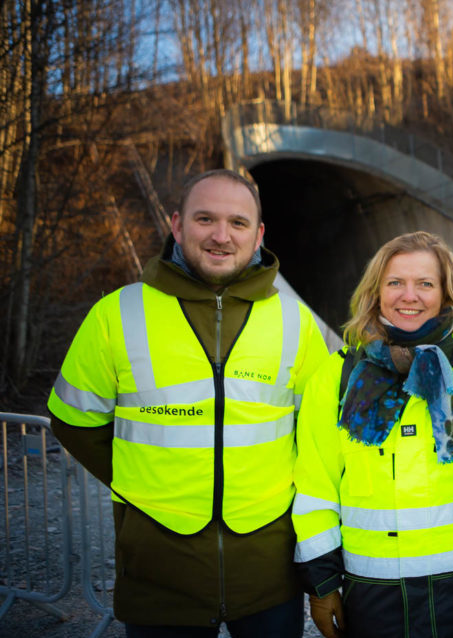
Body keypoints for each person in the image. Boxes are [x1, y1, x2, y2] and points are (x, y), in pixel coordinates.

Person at [47, 168, 331, 636]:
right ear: (177, 225)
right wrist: (139, 486)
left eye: (238, 223)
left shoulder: (294, 321)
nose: (221, 236)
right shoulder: (116, 315)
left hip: (268, 572)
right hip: (160, 573)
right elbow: (73, 421)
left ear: (258, 235)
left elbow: (319, 432)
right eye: (205, 219)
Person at [292, 231, 453, 638]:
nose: (409, 296)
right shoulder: (335, 377)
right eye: (395, 282)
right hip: (371, 593)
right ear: (376, 291)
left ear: (447, 293)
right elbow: (316, 487)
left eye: (425, 283)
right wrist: (322, 585)